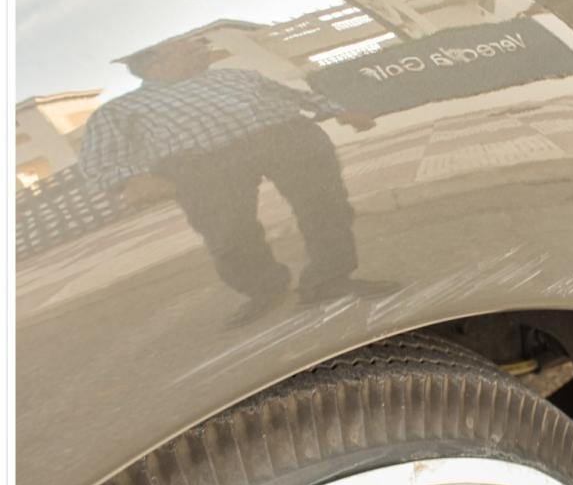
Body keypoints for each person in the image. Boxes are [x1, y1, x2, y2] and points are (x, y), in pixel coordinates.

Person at [79, 37, 383, 327]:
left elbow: (290, 95)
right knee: (228, 232)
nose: (202, 49)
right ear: (153, 64)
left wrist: (340, 111)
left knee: (326, 206)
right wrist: (131, 180)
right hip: (202, 163)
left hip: (284, 136)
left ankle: (328, 279)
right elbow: (101, 154)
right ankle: (264, 287)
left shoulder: (234, 75)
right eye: (187, 48)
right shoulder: (122, 108)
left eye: (200, 45)